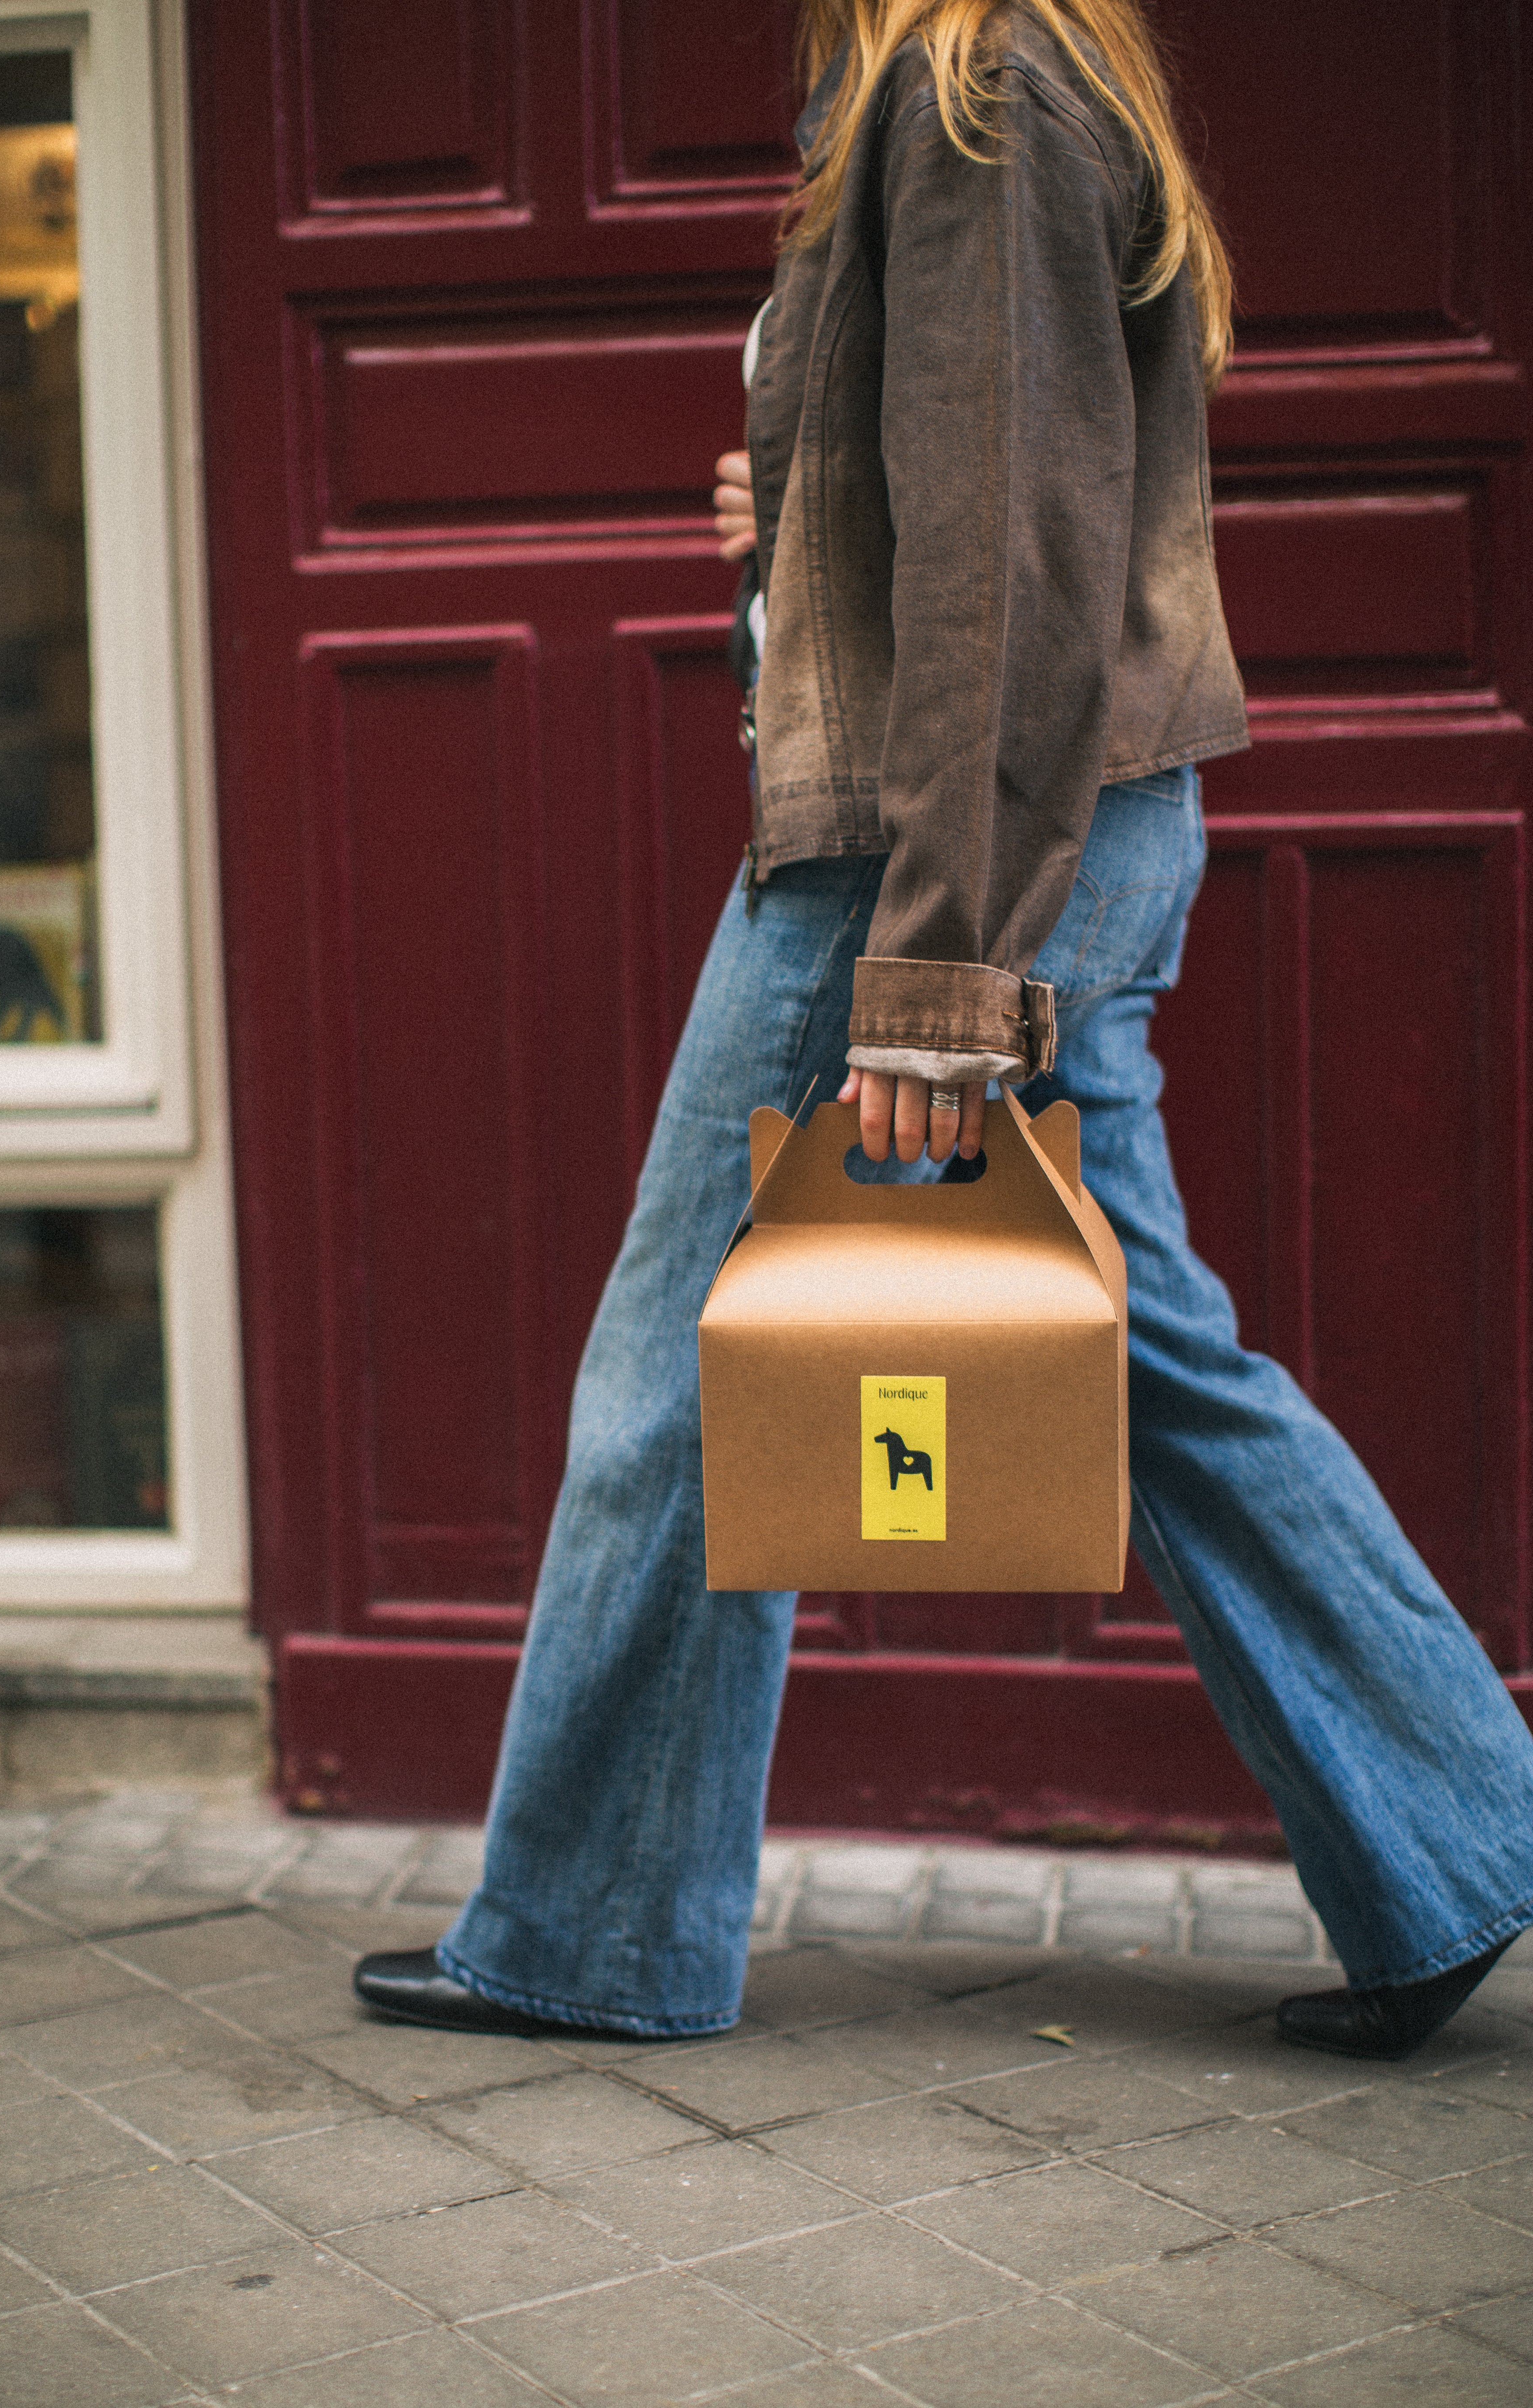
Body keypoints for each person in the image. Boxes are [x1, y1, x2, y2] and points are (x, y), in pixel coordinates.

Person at [355, 0, 1533, 2062]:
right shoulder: (1016, 87)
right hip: (1062, 840)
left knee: (682, 1368)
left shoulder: (970, 95)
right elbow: (981, 500)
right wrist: (796, 516)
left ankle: (595, 1927)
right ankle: (1456, 1834)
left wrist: (937, 979)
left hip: (927, 868)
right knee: (1146, 1354)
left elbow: (1016, 562)